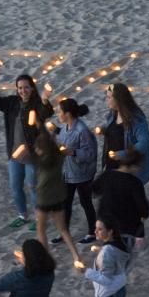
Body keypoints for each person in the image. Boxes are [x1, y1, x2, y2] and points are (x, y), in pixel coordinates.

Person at [0, 74, 54, 229]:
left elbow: (46, 113)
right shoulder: (12, 102)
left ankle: (40, 219)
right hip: (14, 155)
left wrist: (45, 99)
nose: (23, 91)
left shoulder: (37, 104)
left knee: (33, 187)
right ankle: (22, 215)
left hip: (33, 155)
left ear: (32, 88)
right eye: (20, 88)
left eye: (26, 87)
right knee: (15, 186)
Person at [32, 128, 82, 267]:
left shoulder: (42, 161)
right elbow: (63, 148)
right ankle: (76, 255)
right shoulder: (59, 156)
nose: (36, 150)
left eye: (38, 148)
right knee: (63, 229)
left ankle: (47, 258)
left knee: (41, 229)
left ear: (42, 149)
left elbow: (25, 158)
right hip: (59, 196)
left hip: (44, 198)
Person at [53, 98, 98, 245]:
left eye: (60, 111)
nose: (57, 113)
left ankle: (93, 232)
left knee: (86, 203)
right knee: (66, 204)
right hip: (68, 173)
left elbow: (90, 153)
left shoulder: (82, 131)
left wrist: (73, 153)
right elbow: (63, 138)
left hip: (83, 175)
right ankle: (63, 233)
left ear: (68, 114)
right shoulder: (65, 126)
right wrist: (55, 131)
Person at [92, 148, 149, 249]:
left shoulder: (107, 175)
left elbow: (95, 189)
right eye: (138, 166)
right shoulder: (135, 183)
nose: (140, 169)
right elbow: (143, 208)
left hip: (105, 220)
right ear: (132, 166)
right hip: (125, 225)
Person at [100, 83, 149, 185]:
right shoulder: (113, 113)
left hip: (127, 168)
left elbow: (145, 142)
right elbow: (115, 130)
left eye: (109, 97)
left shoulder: (136, 119)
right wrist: (104, 130)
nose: (106, 99)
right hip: (112, 164)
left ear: (118, 99)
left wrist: (123, 154)